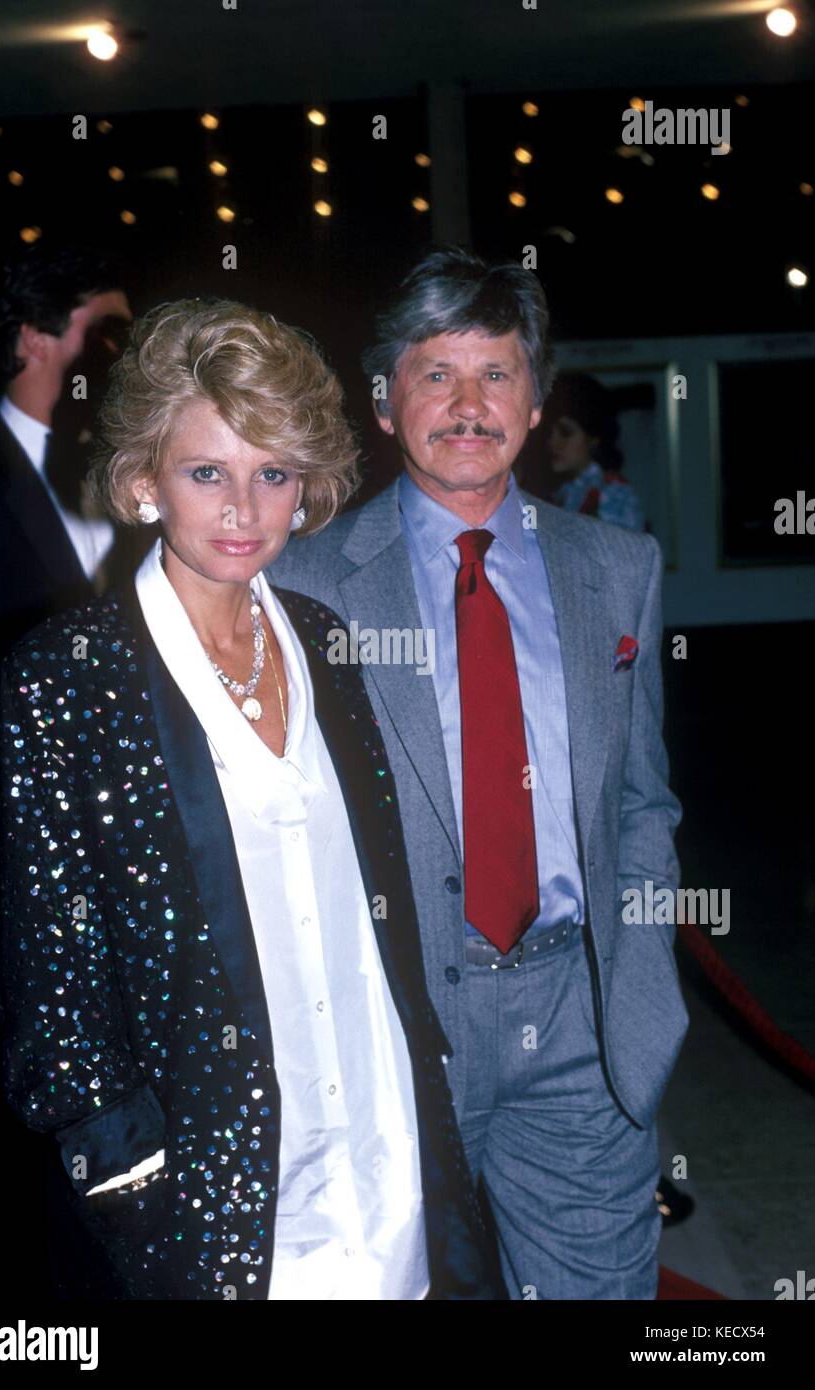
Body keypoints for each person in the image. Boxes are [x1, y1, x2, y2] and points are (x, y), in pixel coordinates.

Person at [0, 297, 504, 1301]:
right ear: (142, 479)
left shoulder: (325, 645)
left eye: (273, 474)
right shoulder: (64, 679)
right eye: (206, 471)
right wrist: (134, 1175)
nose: (243, 509)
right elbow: (47, 977)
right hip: (207, 1189)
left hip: (379, 1136)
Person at [268, 246, 690, 1299]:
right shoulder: (301, 581)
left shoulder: (616, 569)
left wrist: (635, 993)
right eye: (435, 373)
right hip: (390, 1028)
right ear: (382, 401)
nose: (468, 403)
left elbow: (643, 797)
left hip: (577, 1026)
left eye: (496, 373)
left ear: (536, 397)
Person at [0, 243, 138, 1294]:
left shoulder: (147, 471)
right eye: (102, 331)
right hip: (4, 875)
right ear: (32, 339)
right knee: (21, 1128)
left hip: (138, 872)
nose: (124, 353)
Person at [547, 372, 646, 530]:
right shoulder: (558, 491)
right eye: (548, 433)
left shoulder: (613, 494)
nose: (553, 443)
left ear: (593, 438)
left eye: (566, 433)